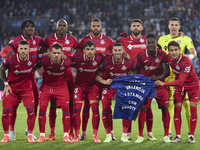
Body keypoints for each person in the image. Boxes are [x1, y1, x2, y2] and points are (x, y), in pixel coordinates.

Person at [0, 20, 43, 140]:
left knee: (34, 105)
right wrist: (7, 55)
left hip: (30, 77)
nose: (30, 28)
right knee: (12, 107)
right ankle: (11, 131)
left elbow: (49, 45)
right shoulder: (16, 41)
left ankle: (29, 131)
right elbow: (3, 53)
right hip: (17, 76)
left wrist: (67, 35)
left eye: (32, 26)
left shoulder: (38, 40)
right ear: (23, 29)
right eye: (27, 27)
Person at [157, 17, 197, 139]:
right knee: (169, 104)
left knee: (186, 104)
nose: (174, 27)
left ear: (179, 27)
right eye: (172, 25)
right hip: (168, 75)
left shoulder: (185, 38)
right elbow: (159, 55)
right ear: (168, 26)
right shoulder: (162, 39)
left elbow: (194, 53)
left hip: (182, 75)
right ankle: (169, 131)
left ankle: (190, 133)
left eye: (176, 25)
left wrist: (187, 56)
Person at [39, 19, 78, 140]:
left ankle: (70, 132)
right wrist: (46, 58)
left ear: (67, 28)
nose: (61, 27)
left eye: (64, 26)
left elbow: (80, 52)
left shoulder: (73, 39)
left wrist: (70, 58)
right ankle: (52, 132)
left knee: (70, 102)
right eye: (59, 25)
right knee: (53, 103)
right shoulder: (49, 39)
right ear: (56, 27)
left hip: (68, 73)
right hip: (53, 75)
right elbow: (40, 52)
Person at [76, 18, 114, 140]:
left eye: (98, 26)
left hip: (103, 79)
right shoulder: (84, 40)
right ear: (91, 27)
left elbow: (114, 55)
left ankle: (110, 133)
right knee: (86, 107)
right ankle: (83, 132)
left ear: (101, 27)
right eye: (94, 26)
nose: (96, 28)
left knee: (106, 107)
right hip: (89, 80)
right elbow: (77, 56)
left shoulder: (108, 40)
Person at [117, 19, 154, 140]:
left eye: (138, 26)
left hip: (145, 78)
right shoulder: (123, 41)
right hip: (129, 78)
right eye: (134, 26)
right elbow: (112, 49)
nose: (136, 27)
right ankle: (127, 134)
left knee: (146, 107)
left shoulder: (147, 40)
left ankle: (147, 133)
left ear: (142, 28)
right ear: (130, 28)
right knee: (128, 106)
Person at [133, 34, 171, 143]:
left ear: (156, 43)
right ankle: (140, 135)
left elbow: (166, 72)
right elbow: (137, 69)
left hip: (160, 85)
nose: (150, 44)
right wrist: (132, 74)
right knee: (143, 109)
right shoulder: (140, 56)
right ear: (145, 43)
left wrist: (157, 78)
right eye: (148, 42)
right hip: (146, 86)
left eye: (152, 42)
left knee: (164, 108)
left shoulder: (162, 55)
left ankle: (166, 135)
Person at [95, 42, 134, 142]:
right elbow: (97, 76)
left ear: (123, 51)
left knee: (127, 108)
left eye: (119, 50)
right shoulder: (106, 63)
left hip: (122, 88)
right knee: (105, 108)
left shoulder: (128, 64)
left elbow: (131, 75)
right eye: (115, 50)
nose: (117, 52)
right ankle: (109, 135)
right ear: (112, 51)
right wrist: (104, 81)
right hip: (109, 87)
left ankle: (124, 136)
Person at [70, 41, 107, 143]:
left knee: (95, 110)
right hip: (79, 87)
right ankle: (77, 135)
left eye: (92, 49)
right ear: (84, 51)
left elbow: (111, 56)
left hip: (92, 87)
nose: (90, 51)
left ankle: (95, 135)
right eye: (88, 49)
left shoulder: (99, 57)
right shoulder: (77, 57)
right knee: (77, 109)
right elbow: (66, 59)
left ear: (95, 50)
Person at [35, 43, 73, 143]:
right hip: (47, 86)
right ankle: (42, 136)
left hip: (61, 86)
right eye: (54, 53)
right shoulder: (44, 60)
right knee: (42, 108)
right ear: (51, 53)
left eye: (58, 53)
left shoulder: (67, 62)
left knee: (66, 109)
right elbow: (34, 62)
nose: (56, 55)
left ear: (62, 54)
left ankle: (66, 136)